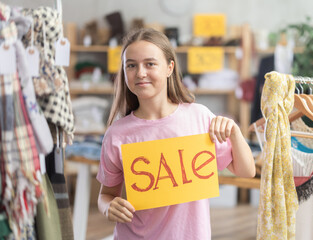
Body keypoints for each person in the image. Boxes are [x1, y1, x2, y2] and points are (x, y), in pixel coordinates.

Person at [97, 28, 255, 240]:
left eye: (150, 64)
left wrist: (234, 131)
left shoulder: (199, 117)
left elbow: (246, 171)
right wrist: (108, 207)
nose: (140, 73)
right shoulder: (117, 134)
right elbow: (105, 194)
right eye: (131, 65)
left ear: (169, 67)